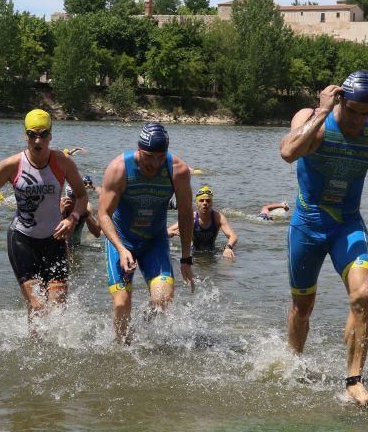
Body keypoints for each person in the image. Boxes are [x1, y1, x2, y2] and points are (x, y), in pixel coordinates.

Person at [279, 71, 368, 407]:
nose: (357, 120)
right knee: (302, 306)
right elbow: (288, 152)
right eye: (352, 111)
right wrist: (321, 112)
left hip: (347, 225)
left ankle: (354, 381)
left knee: (363, 294)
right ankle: (293, 364)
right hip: (307, 224)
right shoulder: (311, 119)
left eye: (365, 113)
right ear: (339, 100)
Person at [0, 109, 89, 331]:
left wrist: (73, 219)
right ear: (25, 135)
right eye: (32, 134)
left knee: (58, 306)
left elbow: (82, 195)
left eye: (43, 134)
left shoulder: (63, 162)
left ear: (51, 135)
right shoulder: (11, 165)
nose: (37, 140)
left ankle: (56, 355)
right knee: (38, 306)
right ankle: (34, 351)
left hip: (55, 240)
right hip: (22, 240)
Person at [97, 122, 194, 343]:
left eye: (161, 156)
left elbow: (186, 215)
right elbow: (103, 215)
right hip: (121, 241)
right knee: (122, 302)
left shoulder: (177, 170)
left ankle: (140, 328)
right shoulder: (119, 169)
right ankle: (122, 348)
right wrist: (121, 249)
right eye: (149, 156)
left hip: (154, 242)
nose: (155, 163)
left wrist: (186, 258)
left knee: (163, 300)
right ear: (139, 149)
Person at [168, 185, 238, 260]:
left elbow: (233, 236)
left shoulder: (218, 217)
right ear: (197, 203)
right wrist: (173, 233)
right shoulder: (191, 217)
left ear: (212, 203)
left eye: (208, 200)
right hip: (194, 252)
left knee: (229, 259)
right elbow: (166, 232)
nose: (205, 203)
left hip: (212, 251)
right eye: (201, 200)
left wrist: (228, 247)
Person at [60, 176, 102, 247]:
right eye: (73, 197)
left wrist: (86, 215)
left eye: (78, 198)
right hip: (59, 246)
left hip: (76, 246)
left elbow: (97, 234)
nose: (74, 201)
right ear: (67, 197)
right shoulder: (60, 205)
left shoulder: (84, 207)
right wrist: (62, 213)